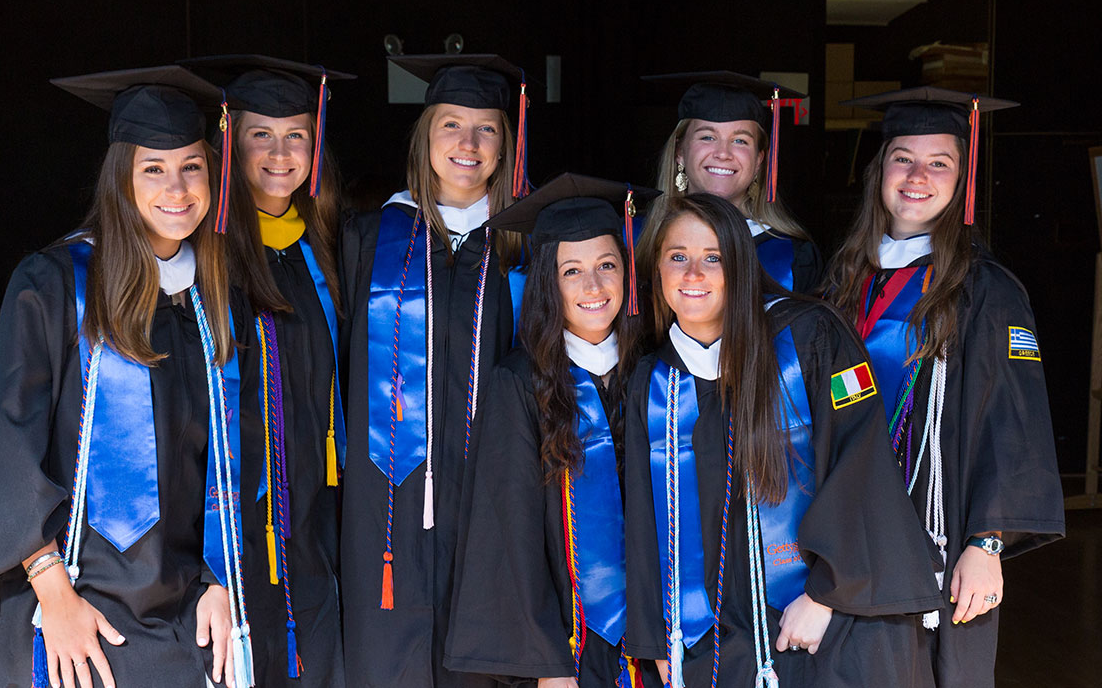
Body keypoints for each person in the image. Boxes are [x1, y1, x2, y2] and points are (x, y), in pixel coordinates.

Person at [0, 66, 258, 688]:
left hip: (182, 603)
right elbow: (12, 451)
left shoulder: (214, 299)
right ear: (120, 177)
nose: (177, 188)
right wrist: (53, 596)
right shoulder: (53, 285)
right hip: (70, 596)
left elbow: (226, 456)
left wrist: (221, 580)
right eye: (153, 169)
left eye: (192, 165)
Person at [624, 192, 942, 687]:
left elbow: (861, 462)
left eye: (714, 258)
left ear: (742, 266)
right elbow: (644, 517)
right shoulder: (653, 380)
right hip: (711, 641)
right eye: (677, 257)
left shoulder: (810, 338)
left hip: (819, 625)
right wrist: (658, 634)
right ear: (655, 270)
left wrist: (826, 594)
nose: (694, 274)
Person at [825, 87, 1065, 688]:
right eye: (903, 158)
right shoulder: (842, 279)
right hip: (840, 537)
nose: (918, 177)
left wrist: (987, 543)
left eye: (940, 163)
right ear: (879, 170)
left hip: (936, 542)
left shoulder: (986, 290)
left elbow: (1013, 422)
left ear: (963, 179)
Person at [338, 54, 530, 687]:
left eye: (487, 129)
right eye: (451, 124)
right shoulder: (366, 239)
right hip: (383, 509)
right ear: (425, 136)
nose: (468, 144)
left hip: (491, 504)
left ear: (507, 145)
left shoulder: (525, 250)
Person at [181, 54, 356, 688]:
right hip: (231, 527)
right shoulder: (198, 257)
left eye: (297, 136)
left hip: (313, 523)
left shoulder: (324, 249)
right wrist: (206, 568)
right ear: (228, 141)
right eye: (261, 134)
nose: (281, 153)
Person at [445, 174, 661, 688]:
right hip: (570, 647)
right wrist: (547, 663)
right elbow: (509, 533)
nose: (593, 286)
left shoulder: (655, 376)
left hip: (658, 643)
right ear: (548, 282)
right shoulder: (519, 384)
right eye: (572, 271)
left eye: (608, 265)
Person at [637, 71, 821, 293]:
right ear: (680, 151)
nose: (723, 153)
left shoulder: (791, 255)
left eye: (740, 140)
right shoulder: (633, 240)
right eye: (707, 137)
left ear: (759, 160)